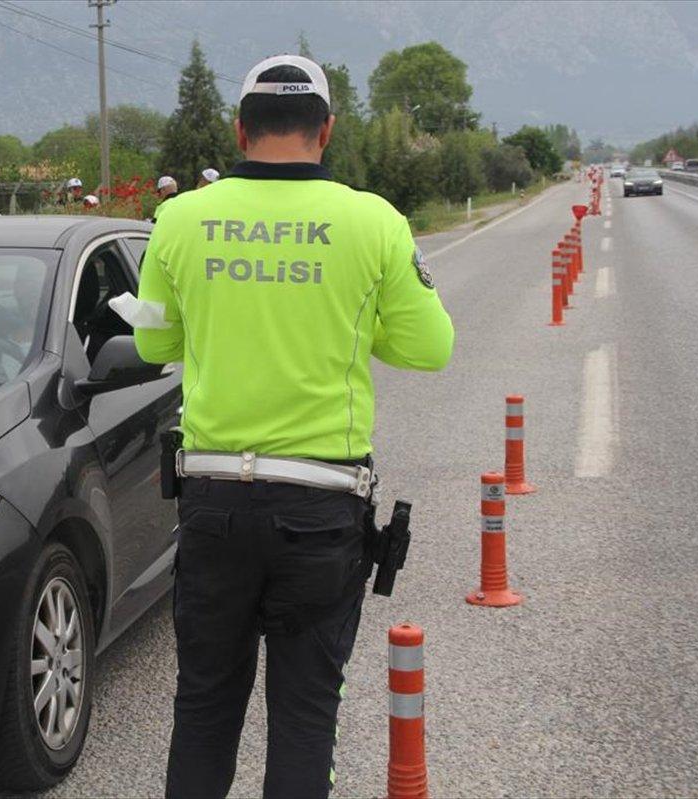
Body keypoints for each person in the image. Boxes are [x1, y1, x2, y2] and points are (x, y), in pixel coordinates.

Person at [134, 54, 454, 799]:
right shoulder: (373, 220)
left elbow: (152, 339)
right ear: (328, 131)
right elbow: (431, 348)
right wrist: (354, 318)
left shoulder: (177, 217)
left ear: (240, 128)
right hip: (320, 507)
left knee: (205, 706)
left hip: (212, 502)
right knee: (306, 716)